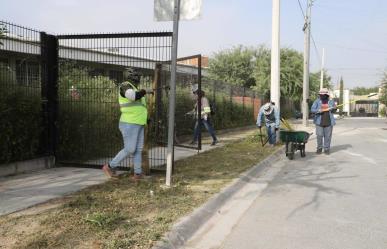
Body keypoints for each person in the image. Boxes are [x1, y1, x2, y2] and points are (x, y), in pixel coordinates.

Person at [102, 70, 148, 180]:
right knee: (130, 149)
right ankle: (109, 166)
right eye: (136, 75)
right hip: (129, 123)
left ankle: (137, 174)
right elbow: (132, 96)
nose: (138, 77)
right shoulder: (125, 85)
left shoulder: (134, 88)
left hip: (139, 122)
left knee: (138, 149)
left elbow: (139, 106)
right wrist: (144, 92)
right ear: (131, 76)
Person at [310, 88, 336, 155]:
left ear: (327, 95)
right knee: (319, 135)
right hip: (319, 121)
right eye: (320, 94)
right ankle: (319, 148)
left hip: (329, 121)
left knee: (328, 136)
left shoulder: (331, 101)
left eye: (323, 94)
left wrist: (334, 108)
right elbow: (312, 109)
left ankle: (326, 149)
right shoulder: (317, 101)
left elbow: (334, 110)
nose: (322, 96)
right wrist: (319, 110)